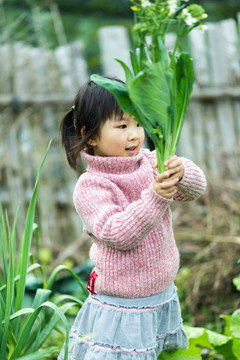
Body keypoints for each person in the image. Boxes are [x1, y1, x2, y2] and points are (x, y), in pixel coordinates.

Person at [58, 79, 207, 360]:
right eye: (122, 126)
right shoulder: (93, 186)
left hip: (160, 292)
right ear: (90, 136)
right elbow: (117, 233)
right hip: (124, 304)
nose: (135, 134)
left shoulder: (150, 162)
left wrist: (182, 171)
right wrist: (155, 197)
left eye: (138, 123)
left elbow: (195, 191)